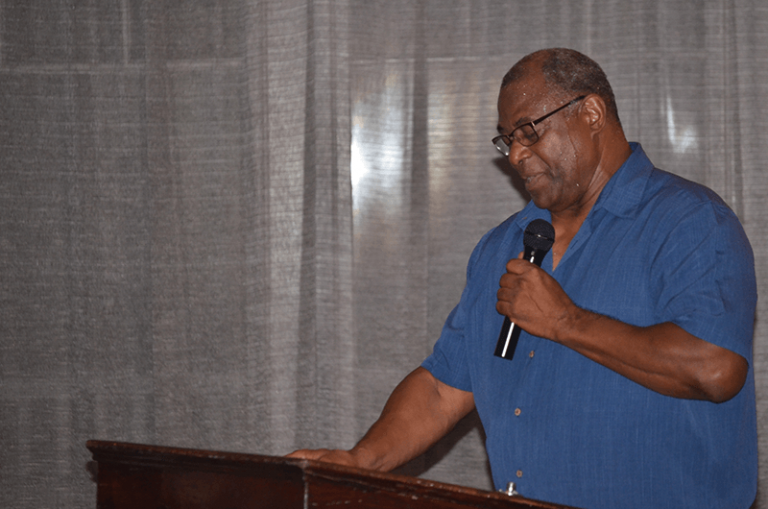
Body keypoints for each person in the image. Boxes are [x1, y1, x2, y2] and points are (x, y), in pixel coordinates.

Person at [288, 48, 757, 509]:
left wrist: (566, 322)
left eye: (529, 131)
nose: (515, 154)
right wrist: (360, 461)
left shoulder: (689, 221)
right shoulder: (502, 246)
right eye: (507, 139)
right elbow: (443, 388)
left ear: (591, 113)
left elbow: (714, 368)